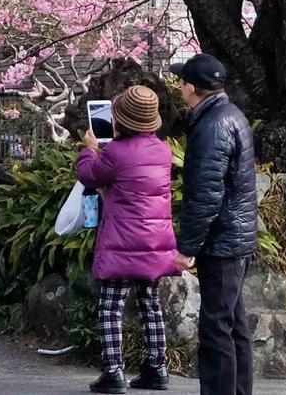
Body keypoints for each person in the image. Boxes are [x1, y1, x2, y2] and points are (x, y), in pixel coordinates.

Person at [77, 85, 181, 393]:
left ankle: (114, 371)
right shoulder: (163, 151)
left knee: (111, 306)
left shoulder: (114, 153)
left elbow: (89, 175)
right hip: (154, 242)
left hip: (122, 242)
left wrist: (89, 149)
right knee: (150, 303)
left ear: (121, 120)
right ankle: (157, 368)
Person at [170, 53, 257, 395]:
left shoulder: (211, 126)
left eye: (180, 82)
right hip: (235, 237)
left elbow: (206, 195)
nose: (178, 87)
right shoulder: (230, 114)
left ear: (192, 87)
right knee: (233, 326)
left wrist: (186, 248)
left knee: (216, 329)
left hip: (222, 241)